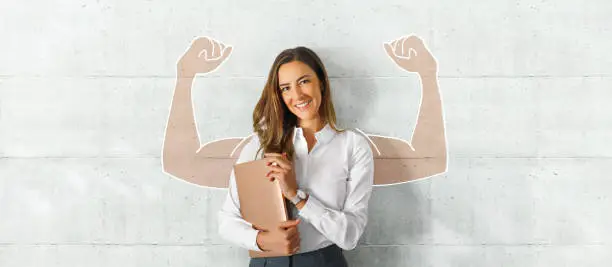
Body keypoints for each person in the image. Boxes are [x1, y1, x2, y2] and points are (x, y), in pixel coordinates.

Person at [217, 46, 373, 266]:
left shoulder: (353, 146)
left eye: (304, 81)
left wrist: (297, 197)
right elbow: (227, 221)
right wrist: (261, 240)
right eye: (286, 88)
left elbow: (350, 236)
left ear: (321, 82)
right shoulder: (259, 144)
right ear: (279, 96)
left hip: (324, 261)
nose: (297, 95)